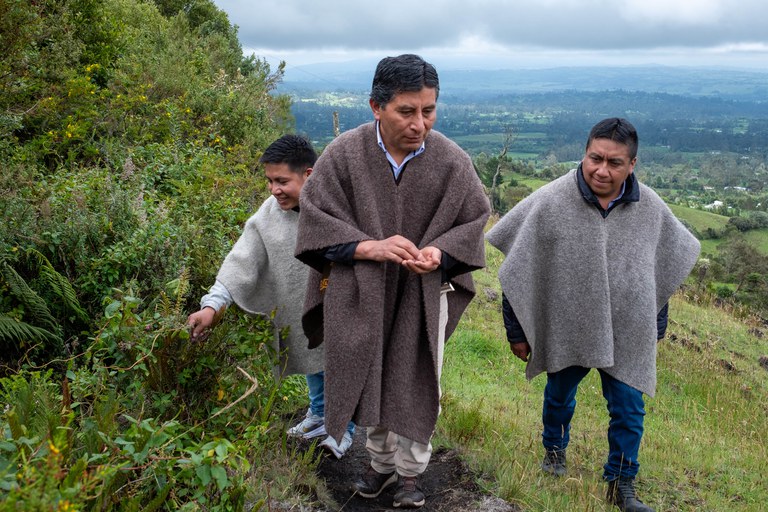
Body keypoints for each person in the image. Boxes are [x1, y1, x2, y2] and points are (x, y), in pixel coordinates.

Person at [294, 54, 490, 509]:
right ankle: (380, 465)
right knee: (370, 372)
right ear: (376, 106)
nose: (419, 123)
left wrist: (440, 252)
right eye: (407, 111)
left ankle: (411, 472)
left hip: (424, 292)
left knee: (419, 375)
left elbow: (473, 219)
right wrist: (370, 247)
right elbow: (315, 227)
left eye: (429, 110)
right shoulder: (343, 155)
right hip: (362, 292)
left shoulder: (452, 161)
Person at [486, 118, 700, 512]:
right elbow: (516, 268)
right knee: (559, 396)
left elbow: (660, 270)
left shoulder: (650, 207)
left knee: (629, 409)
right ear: (584, 154)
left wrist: (655, 323)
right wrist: (517, 331)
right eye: (594, 158)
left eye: (614, 163)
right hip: (569, 324)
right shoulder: (550, 201)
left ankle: (621, 483)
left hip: (629, 330)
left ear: (632, 164)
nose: (602, 170)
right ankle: (554, 451)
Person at [186, 134, 355, 459]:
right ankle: (319, 415)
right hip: (302, 312)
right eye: (269, 181)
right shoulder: (268, 215)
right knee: (313, 363)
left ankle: (342, 428)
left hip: (342, 309)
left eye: (282, 181)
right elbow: (241, 260)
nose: (274, 189)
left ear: (309, 175)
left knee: (339, 367)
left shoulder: (339, 207)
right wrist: (212, 305)